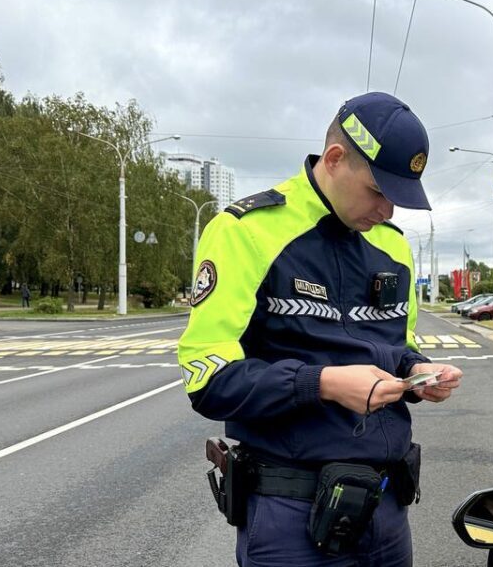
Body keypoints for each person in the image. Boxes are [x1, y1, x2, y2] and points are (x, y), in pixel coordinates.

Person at [178, 92, 463, 566]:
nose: (388, 212)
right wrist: (324, 384)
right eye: (379, 192)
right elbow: (207, 381)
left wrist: (419, 373)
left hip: (388, 509)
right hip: (292, 517)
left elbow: (396, 346)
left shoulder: (393, 247)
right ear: (335, 159)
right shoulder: (246, 231)